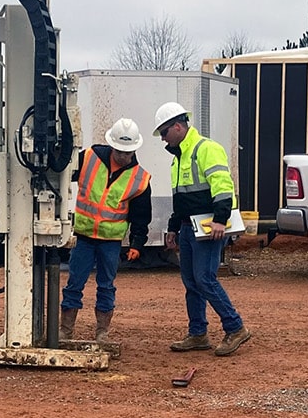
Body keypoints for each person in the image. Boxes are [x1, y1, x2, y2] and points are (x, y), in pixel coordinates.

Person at [153, 101, 251, 357]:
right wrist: (173, 227)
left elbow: (222, 186)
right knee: (192, 282)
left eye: (164, 132)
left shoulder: (206, 149)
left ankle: (235, 327)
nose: (163, 139)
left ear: (177, 126)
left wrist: (220, 219)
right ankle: (198, 333)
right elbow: (182, 199)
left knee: (205, 279)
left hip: (208, 227)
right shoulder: (179, 158)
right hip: (188, 228)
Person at [59, 117, 152, 357]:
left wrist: (137, 244)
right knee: (74, 284)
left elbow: (141, 216)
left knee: (106, 286)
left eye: (128, 152)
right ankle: (65, 331)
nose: (123, 156)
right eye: (120, 151)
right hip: (84, 236)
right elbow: (60, 174)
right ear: (112, 145)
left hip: (111, 241)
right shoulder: (88, 158)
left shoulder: (140, 179)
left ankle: (102, 332)